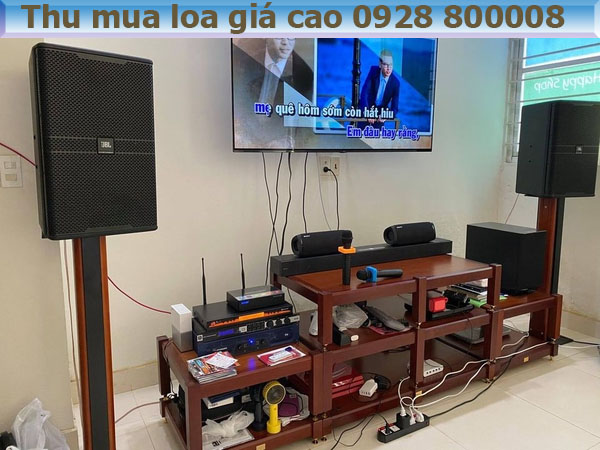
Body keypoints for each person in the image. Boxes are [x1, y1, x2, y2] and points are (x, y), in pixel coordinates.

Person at [232, 38, 314, 149]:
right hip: (248, 140)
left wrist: (289, 141)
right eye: (280, 36)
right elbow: (239, 105)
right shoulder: (246, 62)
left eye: (291, 37)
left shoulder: (305, 75)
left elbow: (307, 126)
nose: (286, 42)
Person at [359, 49, 400, 129]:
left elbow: (395, 108)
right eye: (386, 64)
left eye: (391, 65)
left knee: (378, 135)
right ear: (380, 64)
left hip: (380, 116)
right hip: (366, 109)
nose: (389, 68)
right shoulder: (373, 71)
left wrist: (386, 116)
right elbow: (364, 93)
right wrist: (367, 113)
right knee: (358, 132)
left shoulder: (396, 83)